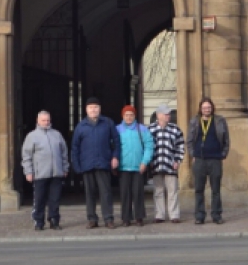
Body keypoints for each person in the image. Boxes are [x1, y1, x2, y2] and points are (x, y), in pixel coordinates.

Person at [71, 96, 121, 229]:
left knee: (106, 193)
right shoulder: (81, 126)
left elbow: (116, 142)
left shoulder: (108, 123)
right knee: (90, 194)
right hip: (87, 165)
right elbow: (75, 147)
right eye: (91, 108)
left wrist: (115, 157)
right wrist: (76, 166)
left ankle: (108, 218)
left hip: (103, 163)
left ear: (100, 109)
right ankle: (92, 219)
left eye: (96, 107)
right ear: (86, 110)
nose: (93, 110)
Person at [21, 110, 69, 231]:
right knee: (39, 199)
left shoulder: (57, 134)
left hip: (56, 172)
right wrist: (28, 172)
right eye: (43, 120)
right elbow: (26, 155)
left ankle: (54, 220)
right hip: (39, 173)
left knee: (55, 199)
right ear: (38, 121)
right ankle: (39, 221)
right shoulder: (31, 136)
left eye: (48, 120)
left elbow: (64, 153)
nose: (46, 122)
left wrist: (65, 168)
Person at [186, 96, 230, 225]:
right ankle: (200, 216)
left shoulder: (220, 120)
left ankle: (216, 215)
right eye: (204, 107)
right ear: (201, 109)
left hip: (215, 159)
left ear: (212, 108)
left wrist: (223, 154)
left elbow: (226, 139)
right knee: (199, 189)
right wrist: (192, 154)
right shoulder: (194, 121)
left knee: (215, 189)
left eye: (209, 107)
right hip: (200, 159)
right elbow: (189, 140)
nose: (207, 109)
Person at [116, 105, 154, 226]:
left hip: (138, 167)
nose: (129, 117)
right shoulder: (117, 129)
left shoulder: (142, 129)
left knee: (138, 193)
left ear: (134, 116)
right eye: (126, 115)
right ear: (123, 116)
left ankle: (139, 217)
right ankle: (126, 218)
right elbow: (113, 146)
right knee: (125, 193)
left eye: (131, 115)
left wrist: (144, 162)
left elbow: (149, 146)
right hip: (123, 167)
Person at [149, 103, 185, 224]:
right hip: (156, 164)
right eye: (165, 114)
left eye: (169, 114)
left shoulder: (175, 129)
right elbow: (147, 147)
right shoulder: (150, 129)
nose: (168, 116)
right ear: (159, 115)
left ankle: (174, 214)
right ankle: (159, 215)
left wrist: (178, 160)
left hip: (171, 165)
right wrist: (149, 161)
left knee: (172, 190)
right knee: (158, 190)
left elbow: (180, 146)